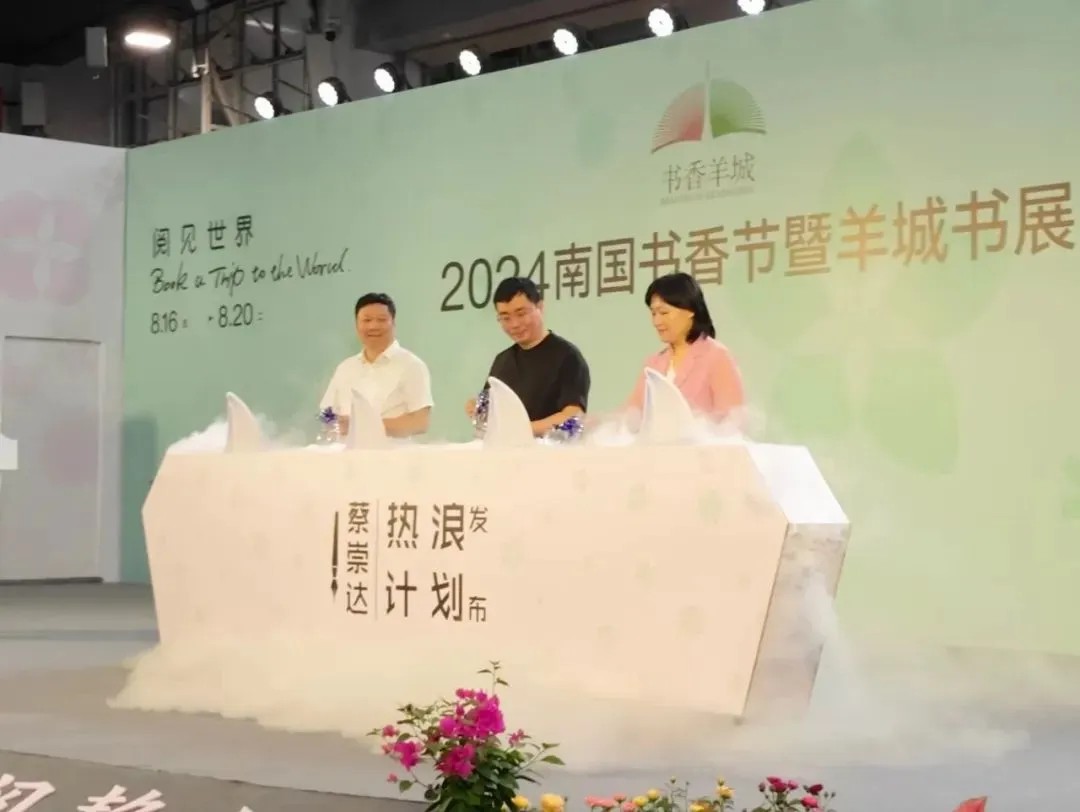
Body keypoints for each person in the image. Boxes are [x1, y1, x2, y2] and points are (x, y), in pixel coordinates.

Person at [465, 277, 591, 437]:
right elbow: (489, 414)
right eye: (505, 318)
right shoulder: (502, 361)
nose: (514, 324)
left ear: (540, 307)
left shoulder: (568, 357)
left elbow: (574, 419)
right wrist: (477, 409)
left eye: (521, 314)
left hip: (549, 450)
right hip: (505, 449)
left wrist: (522, 429)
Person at [625, 272, 744, 424]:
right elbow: (630, 415)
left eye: (664, 312)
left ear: (690, 310)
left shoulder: (717, 356)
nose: (657, 321)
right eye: (653, 313)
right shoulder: (652, 364)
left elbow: (733, 421)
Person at [320, 292, 433, 438]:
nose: (373, 326)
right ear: (357, 325)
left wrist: (363, 426)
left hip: (392, 452)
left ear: (393, 323)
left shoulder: (411, 365)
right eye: (366, 320)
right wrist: (334, 424)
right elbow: (326, 416)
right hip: (346, 451)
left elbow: (419, 423)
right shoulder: (345, 368)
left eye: (381, 320)